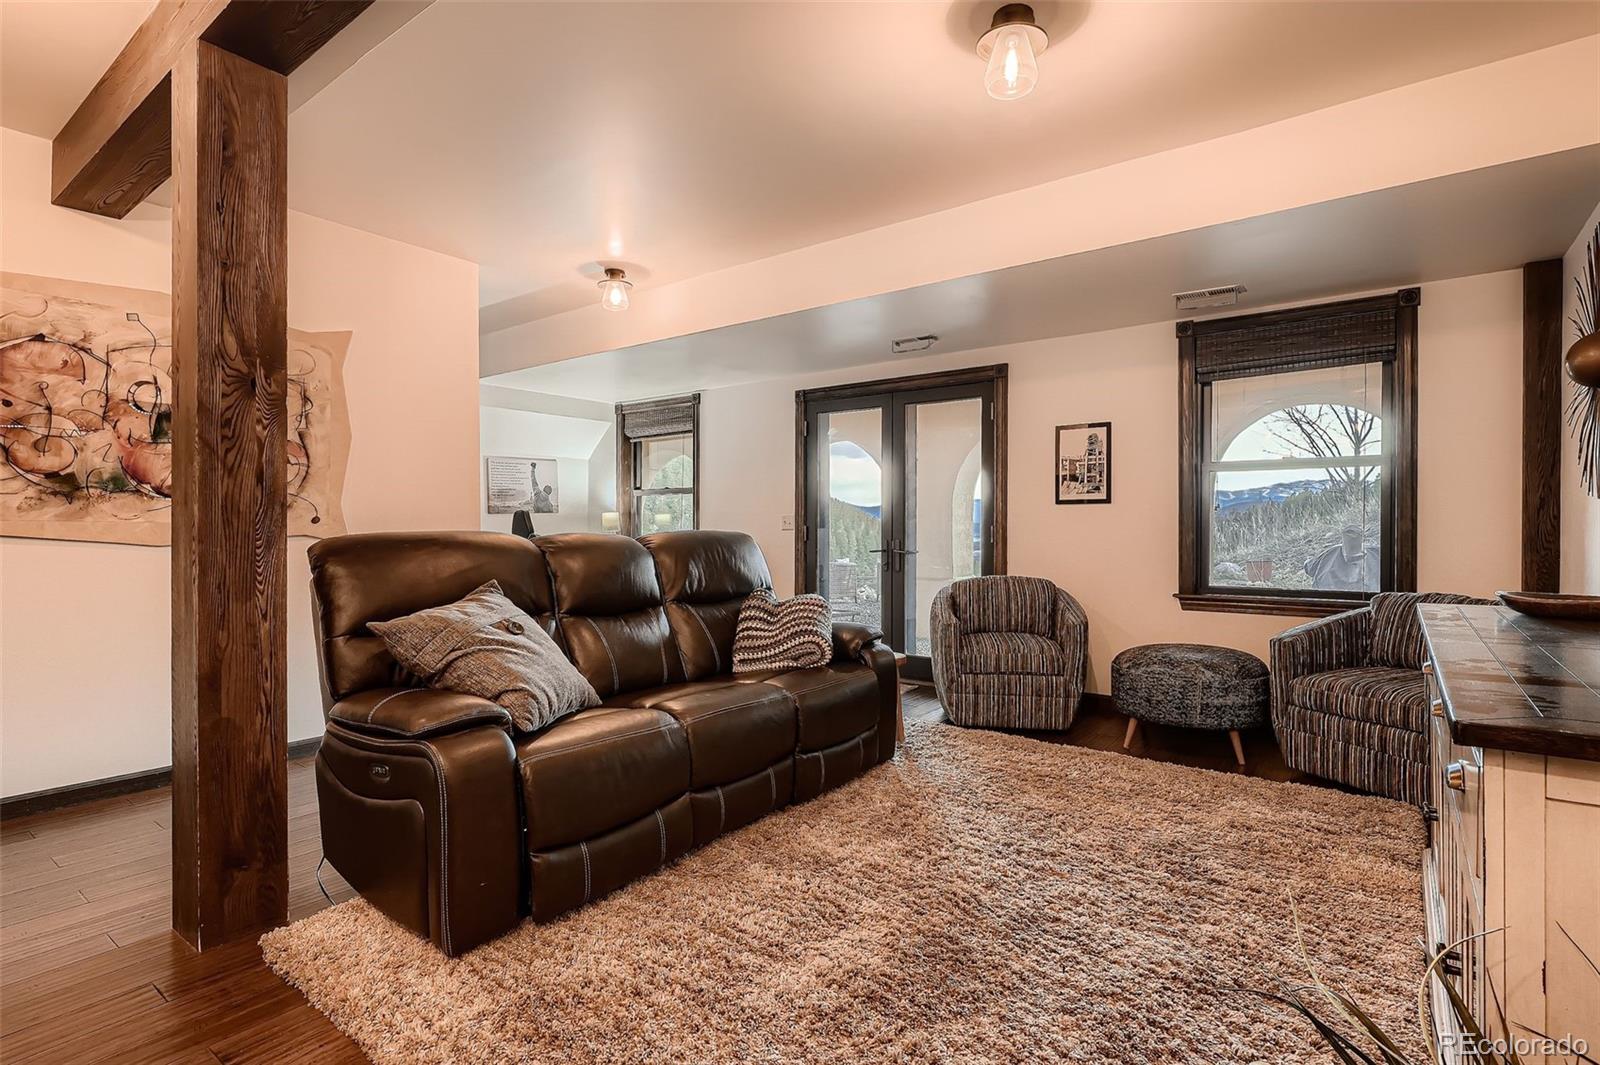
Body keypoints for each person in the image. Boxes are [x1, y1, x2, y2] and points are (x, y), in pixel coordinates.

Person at [1304, 525, 1380, 592]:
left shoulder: (1331, 553)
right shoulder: (1374, 553)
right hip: (1363, 601)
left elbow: (1310, 568)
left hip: (1331, 601)